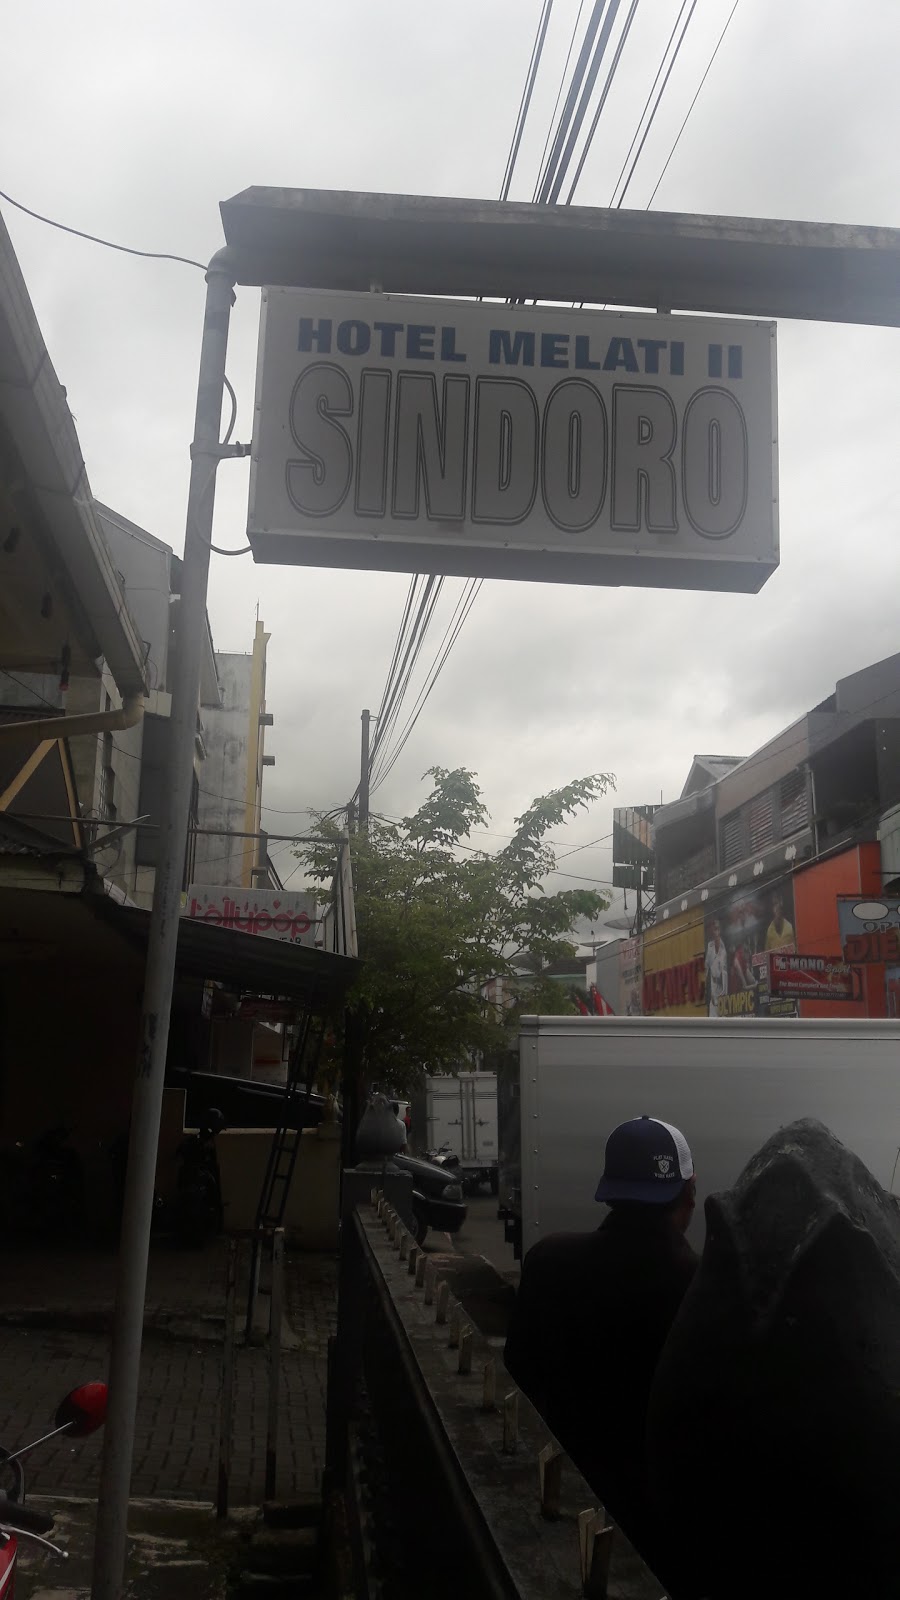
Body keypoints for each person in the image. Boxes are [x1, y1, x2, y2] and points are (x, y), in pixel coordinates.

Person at [504, 1116, 698, 1583]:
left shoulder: (548, 1263)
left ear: (610, 1192)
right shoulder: (702, 1289)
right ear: (689, 1195)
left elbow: (518, 1372)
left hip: (560, 1512)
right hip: (662, 1539)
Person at [705, 918, 729, 1016]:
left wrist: (724, 991)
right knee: (712, 1014)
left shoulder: (723, 951)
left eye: (717, 929)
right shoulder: (710, 946)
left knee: (721, 1015)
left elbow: (724, 972)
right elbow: (707, 965)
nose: (715, 932)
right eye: (714, 929)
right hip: (712, 985)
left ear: (720, 931)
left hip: (720, 986)